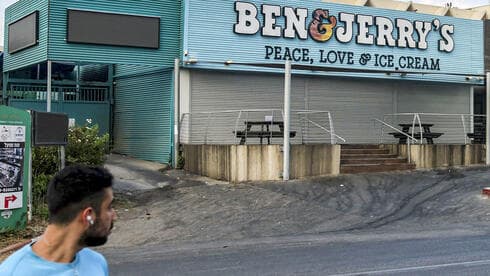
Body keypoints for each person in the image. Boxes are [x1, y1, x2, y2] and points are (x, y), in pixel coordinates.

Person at [0, 164, 117, 275]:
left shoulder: (97, 263)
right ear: (88, 216)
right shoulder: (13, 272)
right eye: (109, 207)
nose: (114, 216)